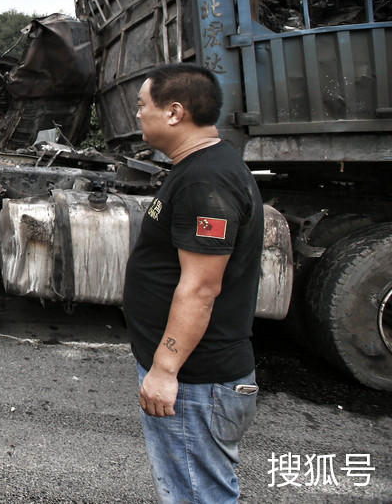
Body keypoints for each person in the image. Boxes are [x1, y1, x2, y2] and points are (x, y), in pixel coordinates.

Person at [123, 63, 264, 503]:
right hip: (196, 382)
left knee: (198, 496)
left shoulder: (207, 180)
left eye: (142, 106)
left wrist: (164, 371)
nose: (138, 116)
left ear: (174, 112)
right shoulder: (200, 169)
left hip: (196, 384)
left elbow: (202, 287)